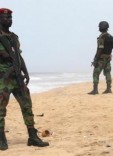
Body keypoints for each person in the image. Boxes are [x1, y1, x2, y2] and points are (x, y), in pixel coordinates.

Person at [0, 8, 49, 150]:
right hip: (3, 78)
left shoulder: (14, 37)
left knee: (27, 105)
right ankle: (1, 138)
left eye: (10, 18)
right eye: (5, 18)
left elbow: (19, 56)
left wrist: (25, 71)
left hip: (17, 77)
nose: (9, 20)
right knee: (1, 109)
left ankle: (32, 136)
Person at [88, 21, 113, 95]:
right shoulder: (111, 37)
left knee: (96, 74)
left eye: (99, 27)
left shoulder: (102, 37)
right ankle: (108, 89)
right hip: (108, 58)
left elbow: (100, 49)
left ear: (101, 27)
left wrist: (95, 59)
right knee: (107, 73)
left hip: (101, 59)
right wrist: (108, 48)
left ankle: (95, 90)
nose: (99, 28)